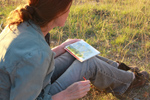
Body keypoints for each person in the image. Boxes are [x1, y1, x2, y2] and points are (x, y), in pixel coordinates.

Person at [0, 0, 149, 100]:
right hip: (39, 93)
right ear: (57, 12)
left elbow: (26, 63)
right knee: (88, 64)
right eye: (68, 8)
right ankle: (129, 81)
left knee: (75, 54)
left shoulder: (17, 24)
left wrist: (61, 48)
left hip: (32, 81)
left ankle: (122, 71)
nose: (69, 12)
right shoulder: (37, 54)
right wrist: (65, 95)